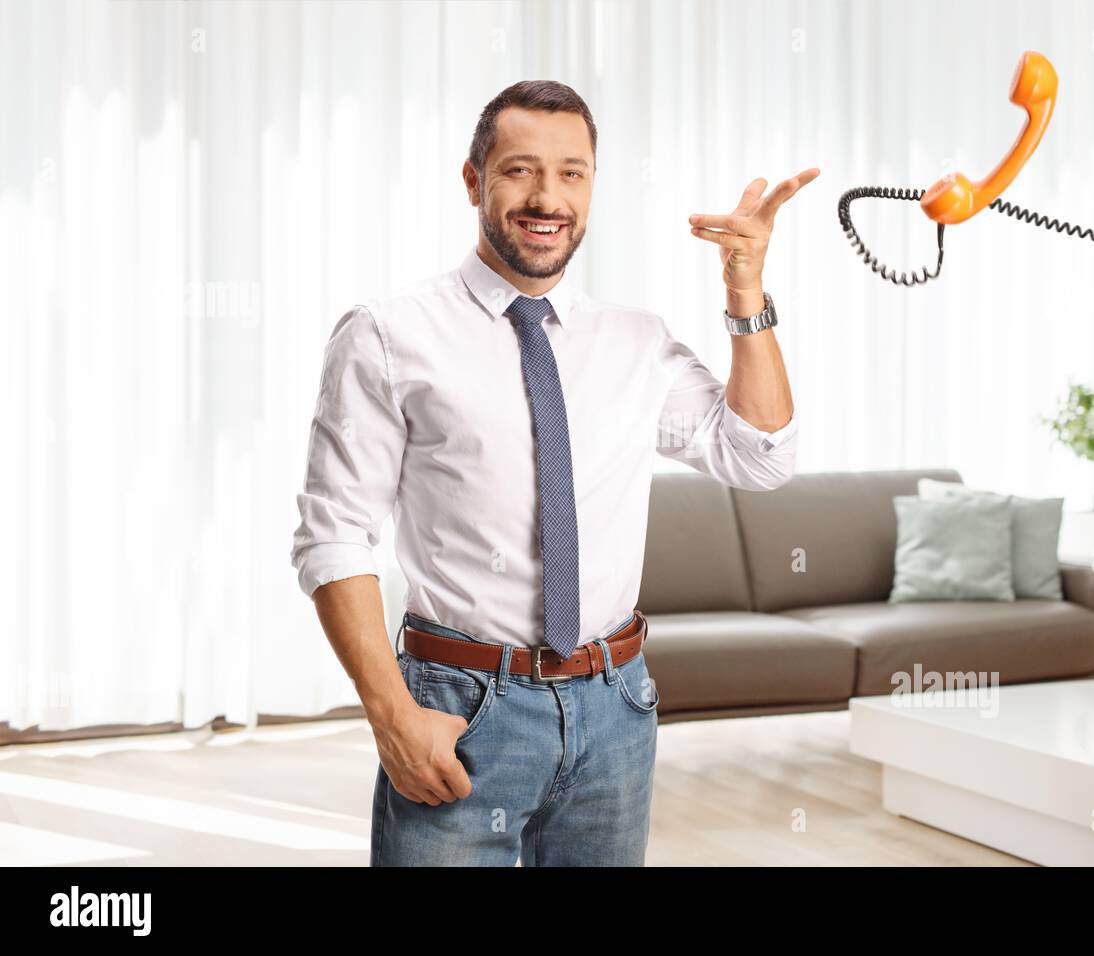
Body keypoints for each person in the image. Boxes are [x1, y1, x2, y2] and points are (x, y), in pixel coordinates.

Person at [290, 79, 815, 866]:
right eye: (520, 170)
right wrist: (391, 715)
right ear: (474, 180)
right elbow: (333, 539)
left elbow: (759, 455)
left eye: (572, 172)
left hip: (615, 707)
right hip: (462, 711)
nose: (548, 197)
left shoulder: (637, 342)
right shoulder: (388, 335)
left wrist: (745, 291)